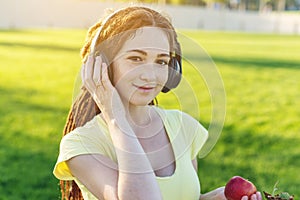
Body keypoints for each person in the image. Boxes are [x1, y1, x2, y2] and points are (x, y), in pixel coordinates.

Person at [53, 6, 262, 200]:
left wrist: (219, 198)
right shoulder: (82, 144)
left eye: (161, 61)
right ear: (103, 66)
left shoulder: (182, 126)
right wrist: (115, 117)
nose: (150, 75)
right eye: (135, 58)